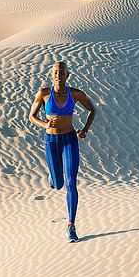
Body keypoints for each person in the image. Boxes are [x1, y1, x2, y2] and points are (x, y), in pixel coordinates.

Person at [29, 61, 96, 242]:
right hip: (51, 141)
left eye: (62, 72)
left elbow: (92, 110)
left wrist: (85, 130)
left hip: (69, 140)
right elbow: (31, 116)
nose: (59, 75)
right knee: (58, 183)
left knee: (71, 183)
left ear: (68, 75)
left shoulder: (75, 94)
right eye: (56, 73)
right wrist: (45, 124)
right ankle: (53, 177)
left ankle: (71, 227)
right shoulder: (43, 94)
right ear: (52, 75)